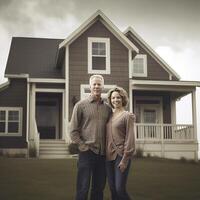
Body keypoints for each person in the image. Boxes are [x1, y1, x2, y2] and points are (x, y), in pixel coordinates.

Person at [69, 74, 112, 200]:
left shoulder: (108, 109)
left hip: (103, 154)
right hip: (86, 153)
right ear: (90, 86)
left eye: (99, 84)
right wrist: (83, 147)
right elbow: (73, 130)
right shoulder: (80, 105)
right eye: (94, 84)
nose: (97, 86)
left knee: (98, 189)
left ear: (103, 86)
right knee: (83, 188)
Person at [106, 87, 136, 200]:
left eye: (118, 97)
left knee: (120, 189)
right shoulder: (109, 116)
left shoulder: (127, 116)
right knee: (113, 189)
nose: (115, 100)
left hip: (121, 155)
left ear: (122, 99)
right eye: (113, 98)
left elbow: (130, 138)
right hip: (108, 157)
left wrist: (125, 159)